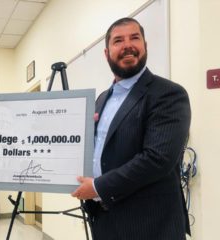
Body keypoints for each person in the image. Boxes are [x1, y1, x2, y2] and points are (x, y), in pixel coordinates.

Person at [71, 18, 191, 240]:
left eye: (134, 38)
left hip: (150, 226)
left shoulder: (168, 94)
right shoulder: (101, 100)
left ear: (145, 46)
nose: (127, 45)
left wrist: (97, 187)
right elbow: (103, 152)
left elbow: (157, 159)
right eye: (118, 40)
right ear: (107, 53)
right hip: (105, 221)